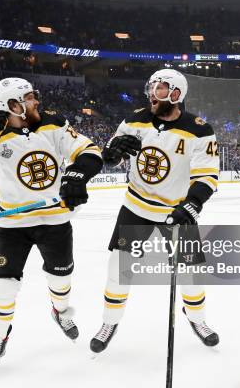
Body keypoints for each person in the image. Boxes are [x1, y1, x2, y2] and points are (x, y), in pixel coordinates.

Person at [0, 77, 103, 373]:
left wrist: (77, 176)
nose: (37, 99)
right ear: (14, 105)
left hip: (55, 220)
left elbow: (91, 153)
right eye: (30, 96)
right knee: (2, 287)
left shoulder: (53, 124)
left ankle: (60, 311)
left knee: (60, 280)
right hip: (12, 224)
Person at [89, 69, 220, 355]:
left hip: (177, 211)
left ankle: (197, 319)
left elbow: (208, 176)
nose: (152, 92)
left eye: (159, 88)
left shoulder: (199, 129)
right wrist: (111, 154)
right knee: (118, 270)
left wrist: (193, 203)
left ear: (176, 94)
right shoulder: (134, 119)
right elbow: (111, 154)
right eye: (152, 87)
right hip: (135, 207)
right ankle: (109, 323)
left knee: (192, 272)